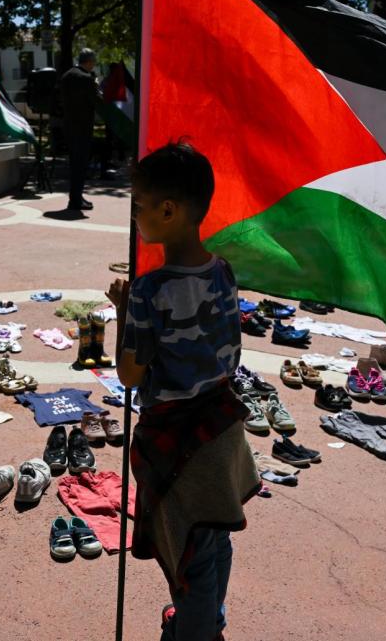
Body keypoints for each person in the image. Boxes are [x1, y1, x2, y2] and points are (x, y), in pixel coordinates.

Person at [106, 142, 259, 641]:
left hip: (178, 444)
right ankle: (209, 622)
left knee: (188, 555)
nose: (135, 218)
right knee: (214, 536)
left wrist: (125, 316)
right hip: (221, 431)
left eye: (139, 206)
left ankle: (197, 632)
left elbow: (129, 375)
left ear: (167, 210)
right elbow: (230, 352)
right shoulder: (224, 271)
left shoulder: (151, 292)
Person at [59, 48, 103, 211]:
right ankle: (75, 200)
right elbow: (98, 101)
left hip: (69, 125)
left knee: (74, 163)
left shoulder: (66, 75)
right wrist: (96, 85)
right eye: (93, 63)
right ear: (90, 62)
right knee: (80, 164)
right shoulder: (87, 79)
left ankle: (76, 197)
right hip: (83, 127)